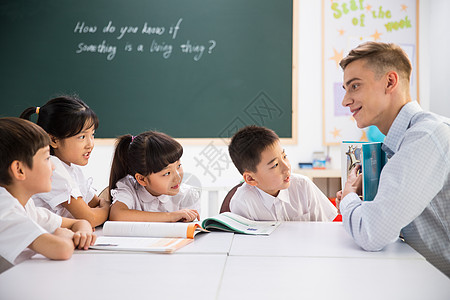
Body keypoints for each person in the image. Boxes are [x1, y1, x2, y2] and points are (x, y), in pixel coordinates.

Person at [336, 41, 450, 277]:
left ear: (390, 82)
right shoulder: (399, 143)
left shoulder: (426, 136)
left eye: (354, 86)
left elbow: (372, 233)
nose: (345, 101)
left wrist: (348, 199)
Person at [0, 118, 96, 273]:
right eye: (46, 158)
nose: (53, 166)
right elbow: (61, 250)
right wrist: (62, 235)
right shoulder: (4, 207)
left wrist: (82, 233)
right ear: (19, 170)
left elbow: (78, 222)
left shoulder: (26, 205)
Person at [20, 96, 110, 228]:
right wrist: (107, 208)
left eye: (93, 135)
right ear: (54, 140)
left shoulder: (73, 169)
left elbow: (95, 204)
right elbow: (90, 218)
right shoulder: (52, 167)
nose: (90, 144)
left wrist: (103, 208)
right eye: (82, 137)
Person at [227, 125, 337, 221]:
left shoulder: (303, 186)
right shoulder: (242, 202)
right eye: (275, 165)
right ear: (251, 179)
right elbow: (243, 243)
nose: (287, 167)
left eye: (284, 156)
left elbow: (325, 229)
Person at [108, 131, 200, 222]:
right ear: (142, 179)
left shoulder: (187, 195)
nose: (177, 178)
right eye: (167, 173)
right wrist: (170, 216)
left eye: (178, 166)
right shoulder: (129, 188)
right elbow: (116, 215)